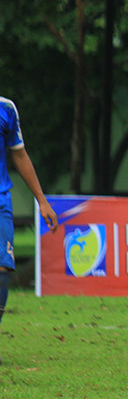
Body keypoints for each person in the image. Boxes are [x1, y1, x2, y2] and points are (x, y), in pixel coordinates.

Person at [0, 96, 59, 364]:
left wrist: (42, 200)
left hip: (0, 201)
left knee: (2, 269)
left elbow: (20, 154)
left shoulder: (6, 108)